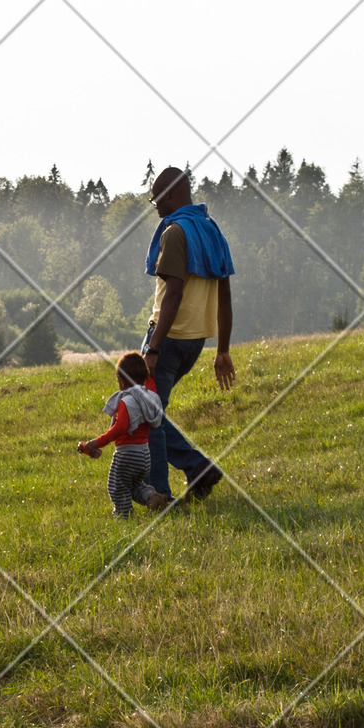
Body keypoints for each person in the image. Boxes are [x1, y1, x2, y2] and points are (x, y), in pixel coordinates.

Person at [141, 167, 236, 502]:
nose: (153, 204)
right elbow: (224, 297)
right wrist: (221, 350)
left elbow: (174, 294)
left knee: (147, 414)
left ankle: (163, 492)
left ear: (171, 194)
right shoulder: (211, 230)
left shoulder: (176, 232)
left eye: (156, 197)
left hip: (167, 339)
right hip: (195, 342)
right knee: (152, 410)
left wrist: (152, 347)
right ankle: (196, 471)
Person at [77, 352, 169, 517]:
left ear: (122, 380)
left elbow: (121, 428)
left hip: (127, 454)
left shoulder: (127, 401)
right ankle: (151, 497)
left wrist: (98, 442)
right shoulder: (149, 398)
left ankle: (123, 516)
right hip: (144, 454)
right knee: (134, 485)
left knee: (117, 487)